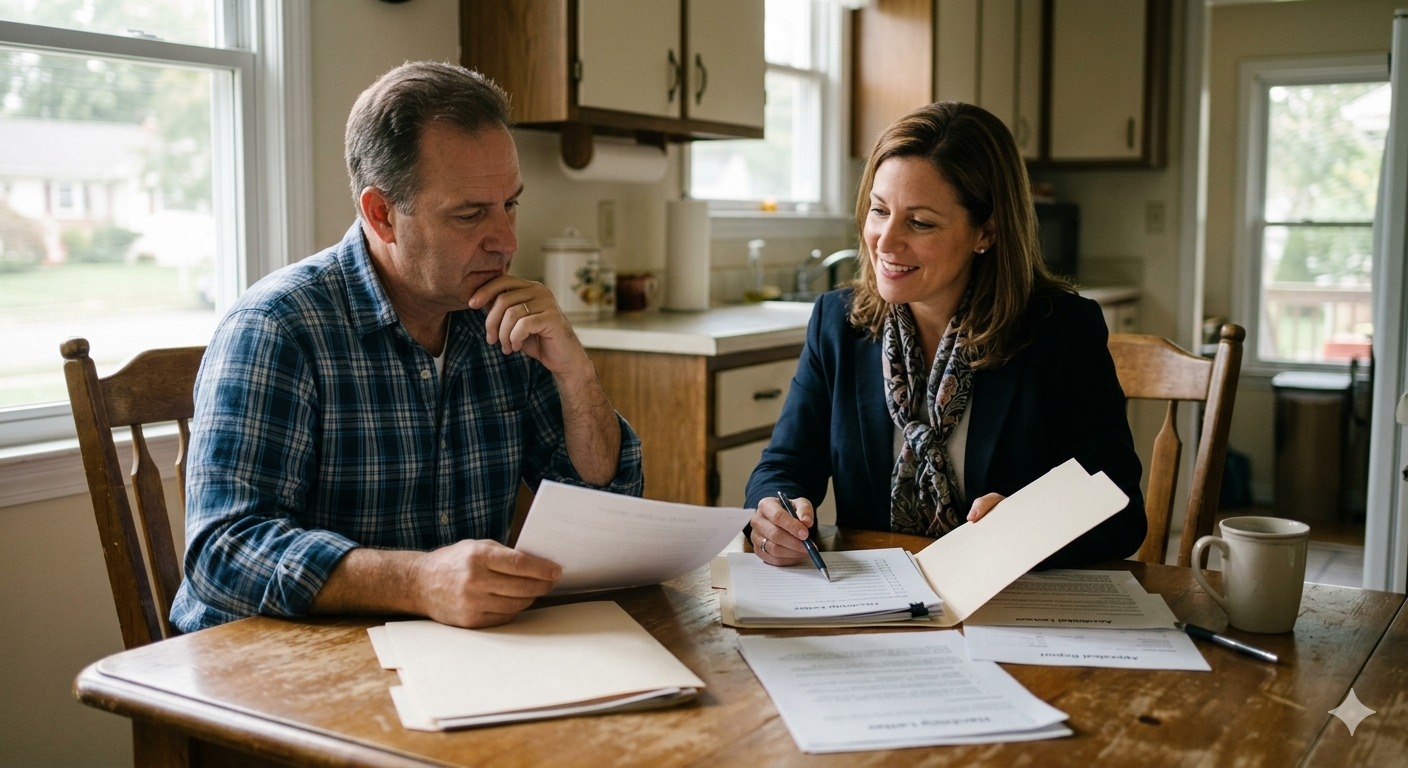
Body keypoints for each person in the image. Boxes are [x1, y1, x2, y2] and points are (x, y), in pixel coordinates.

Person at [170, 62, 643, 633]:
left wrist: (577, 375)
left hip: (456, 653)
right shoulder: (277, 326)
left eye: (510, 204)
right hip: (279, 660)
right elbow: (223, 552)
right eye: (470, 213)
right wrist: (418, 581)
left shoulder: (503, 318)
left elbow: (603, 507)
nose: (507, 240)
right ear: (382, 215)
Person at [745, 101, 1145, 567]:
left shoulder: (1062, 331)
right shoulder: (837, 323)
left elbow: (1121, 512)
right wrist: (772, 514)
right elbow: (784, 466)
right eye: (879, 210)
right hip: (876, 596)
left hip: (1009, 599)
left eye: (920, 222)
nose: (885, 241)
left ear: (986, 232)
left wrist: (1031, 528)